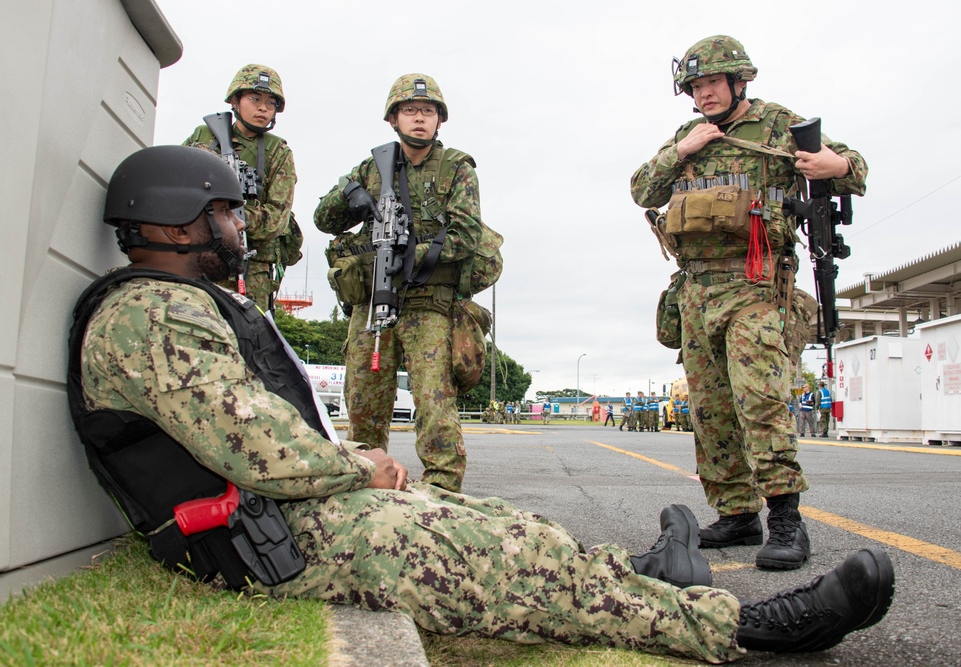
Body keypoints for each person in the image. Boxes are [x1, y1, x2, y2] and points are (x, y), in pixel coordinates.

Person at [70, 144, 894, 663]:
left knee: (506, 526)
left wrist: (356, 473)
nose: (237, 227)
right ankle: (748, 627)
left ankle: (644, 575)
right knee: (503, 566)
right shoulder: (147, 314)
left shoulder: (193, 303)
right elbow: (253, 447)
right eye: (221, 211)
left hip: (289, 515)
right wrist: (359, 462)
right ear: (171, 221)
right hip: (266, 541)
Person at [631, 35, 867, 570]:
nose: (705, 93)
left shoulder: (779, 125)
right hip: (694, 291)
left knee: (760, 400)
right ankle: (737, 513)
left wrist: (834, 166)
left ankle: (786, 519)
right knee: (710, 410)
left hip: (755, 284)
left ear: (740, 81)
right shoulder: (688, 135)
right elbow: (642, 190)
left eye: (714, 82)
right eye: (696, 86)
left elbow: (855, 166)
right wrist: (682, 150)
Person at [314, 73, 482, 493]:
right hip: (373, 302)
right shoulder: (373, 167)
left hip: (429, 303)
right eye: (410, 111)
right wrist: (351, 196)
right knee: (364, 405)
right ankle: (366, 488)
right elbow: (323, 219)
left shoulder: (457, 167)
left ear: (439, 120)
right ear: (393, 119)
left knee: (434, 406)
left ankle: (443, 496)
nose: (419, 119)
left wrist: (411, 251)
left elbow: (466, 236)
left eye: (428, 111)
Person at [183, 64, 302, 312]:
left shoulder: (278, 151)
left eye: (271, 103)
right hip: (199, 254)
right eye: (255, 99)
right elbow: (176, 183)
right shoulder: (203, 137)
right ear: (235, 101)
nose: (263, 108)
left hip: (251, 264)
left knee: (250, 338)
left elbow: (277, 219)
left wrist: (226, 215)